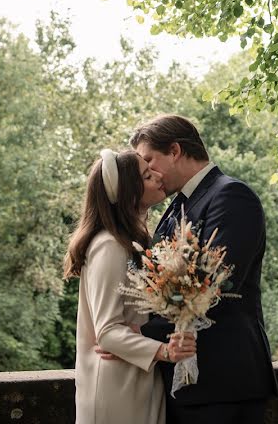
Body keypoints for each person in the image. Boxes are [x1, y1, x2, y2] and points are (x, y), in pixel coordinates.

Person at [130, 115, 278, 424]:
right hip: (184, 378)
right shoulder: (174, 207)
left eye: (149, 160)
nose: (147, 172)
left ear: (175, 151)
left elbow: (216, 284)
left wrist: (137, 336)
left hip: (224, 377)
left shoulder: (232, 196)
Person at [64, 149, 197, 424]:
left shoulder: (135, 241)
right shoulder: (109, 246)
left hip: (138, 379)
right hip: (115, 390)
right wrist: (166, 352)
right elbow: (108, 332)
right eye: (147, 176)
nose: (158, 176)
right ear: (130, 193)